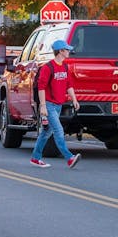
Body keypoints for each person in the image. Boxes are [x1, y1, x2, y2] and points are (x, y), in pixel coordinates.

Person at [30, 40, 82, 168]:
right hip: (48, 105)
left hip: (58, 105)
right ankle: (69, 158)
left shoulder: (64, 67)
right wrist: (42, 106)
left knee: (46, 132)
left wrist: (74, 99)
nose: (69, 52)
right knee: (58, 130)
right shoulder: (48, 68)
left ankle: (35, 158)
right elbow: (41, 87)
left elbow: (69, 85)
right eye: (67, 49)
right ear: (60, 51)